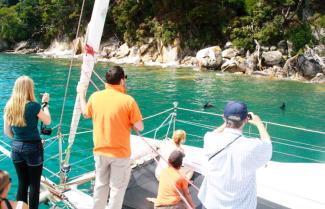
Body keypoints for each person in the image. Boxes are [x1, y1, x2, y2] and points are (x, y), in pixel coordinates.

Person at [77, 65, 144, 209]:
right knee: (116, 190)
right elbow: (139, 126)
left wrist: (81, 94)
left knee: (100, 186)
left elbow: (85, 113)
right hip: (120, 154)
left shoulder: (95, 97)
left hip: (100, 152)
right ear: (121, 81)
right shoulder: (128, 101)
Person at [198, 101, 272, 209]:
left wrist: (227, 122)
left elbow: (215, 133)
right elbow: (268, 145)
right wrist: (259, 123)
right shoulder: (252, 147)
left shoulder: (210, 139)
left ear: (224, 117)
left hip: (211, 203)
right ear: (246, 120)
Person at [3, 76, 51, 209]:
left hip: (16, 148)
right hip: (33, 149)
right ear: (30, 89)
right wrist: (45, 104)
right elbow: (47, 121)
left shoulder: (9, 106)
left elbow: (7, 132)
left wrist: (19, 139)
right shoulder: (34, 106)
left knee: (22, 183)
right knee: (34, 185)